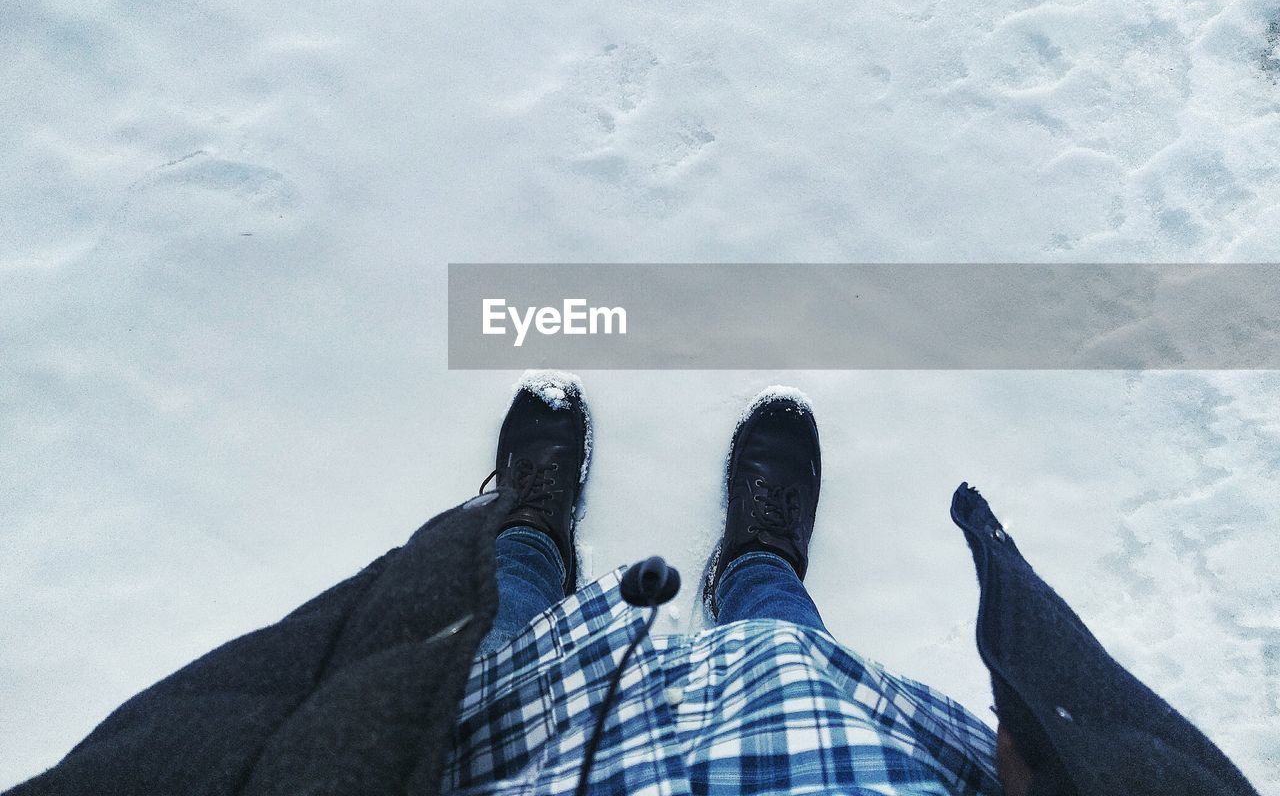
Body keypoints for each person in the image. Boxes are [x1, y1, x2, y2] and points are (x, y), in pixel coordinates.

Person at [5, 372, 1261, 796]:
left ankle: (522, 534)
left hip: (494, 765)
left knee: (486, 642)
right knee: (783, 650)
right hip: (823, 763)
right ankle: (756, 565)